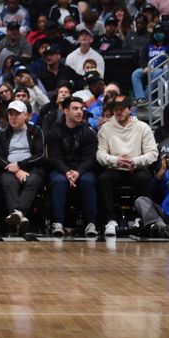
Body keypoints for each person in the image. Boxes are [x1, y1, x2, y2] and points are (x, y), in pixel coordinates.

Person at [96, 96, 158, 236]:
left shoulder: (143, 127)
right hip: (115, 168)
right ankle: (110, 220)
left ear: (130, 110)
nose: (118, 112)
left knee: (145, 178)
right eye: (115, 109)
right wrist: (116, 160)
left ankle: (140, 218)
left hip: (136, 168)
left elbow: (153, 153)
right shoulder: (106, 129)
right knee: (102, 179)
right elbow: (100, 154)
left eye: (122, 109)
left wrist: (135, 161)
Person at [46, 96, 99, 237]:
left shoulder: (88, 133)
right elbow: (54, 158)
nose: (79, 112)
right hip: (60, 169)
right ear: (65, 111)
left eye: (81, 108)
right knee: (59, 181)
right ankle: (58, 223)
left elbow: (90, 159)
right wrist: (67, 172)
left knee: (88, 181)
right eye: (75, 108)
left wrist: (78, 172)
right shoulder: (54, 132)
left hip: (82, 169)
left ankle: (91, 223)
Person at [0, 100, 46, 234]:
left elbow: (40, 155)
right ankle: (20, 219)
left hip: (31, 168)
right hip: (9, 169)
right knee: (7, 182)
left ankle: (17, 213)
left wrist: (19, 165)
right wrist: (15, 169)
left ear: (25, 115)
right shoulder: (2, 133)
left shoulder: (36, 130)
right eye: (10, 114)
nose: (13, 117)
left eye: (16, 114)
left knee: (32, 181)